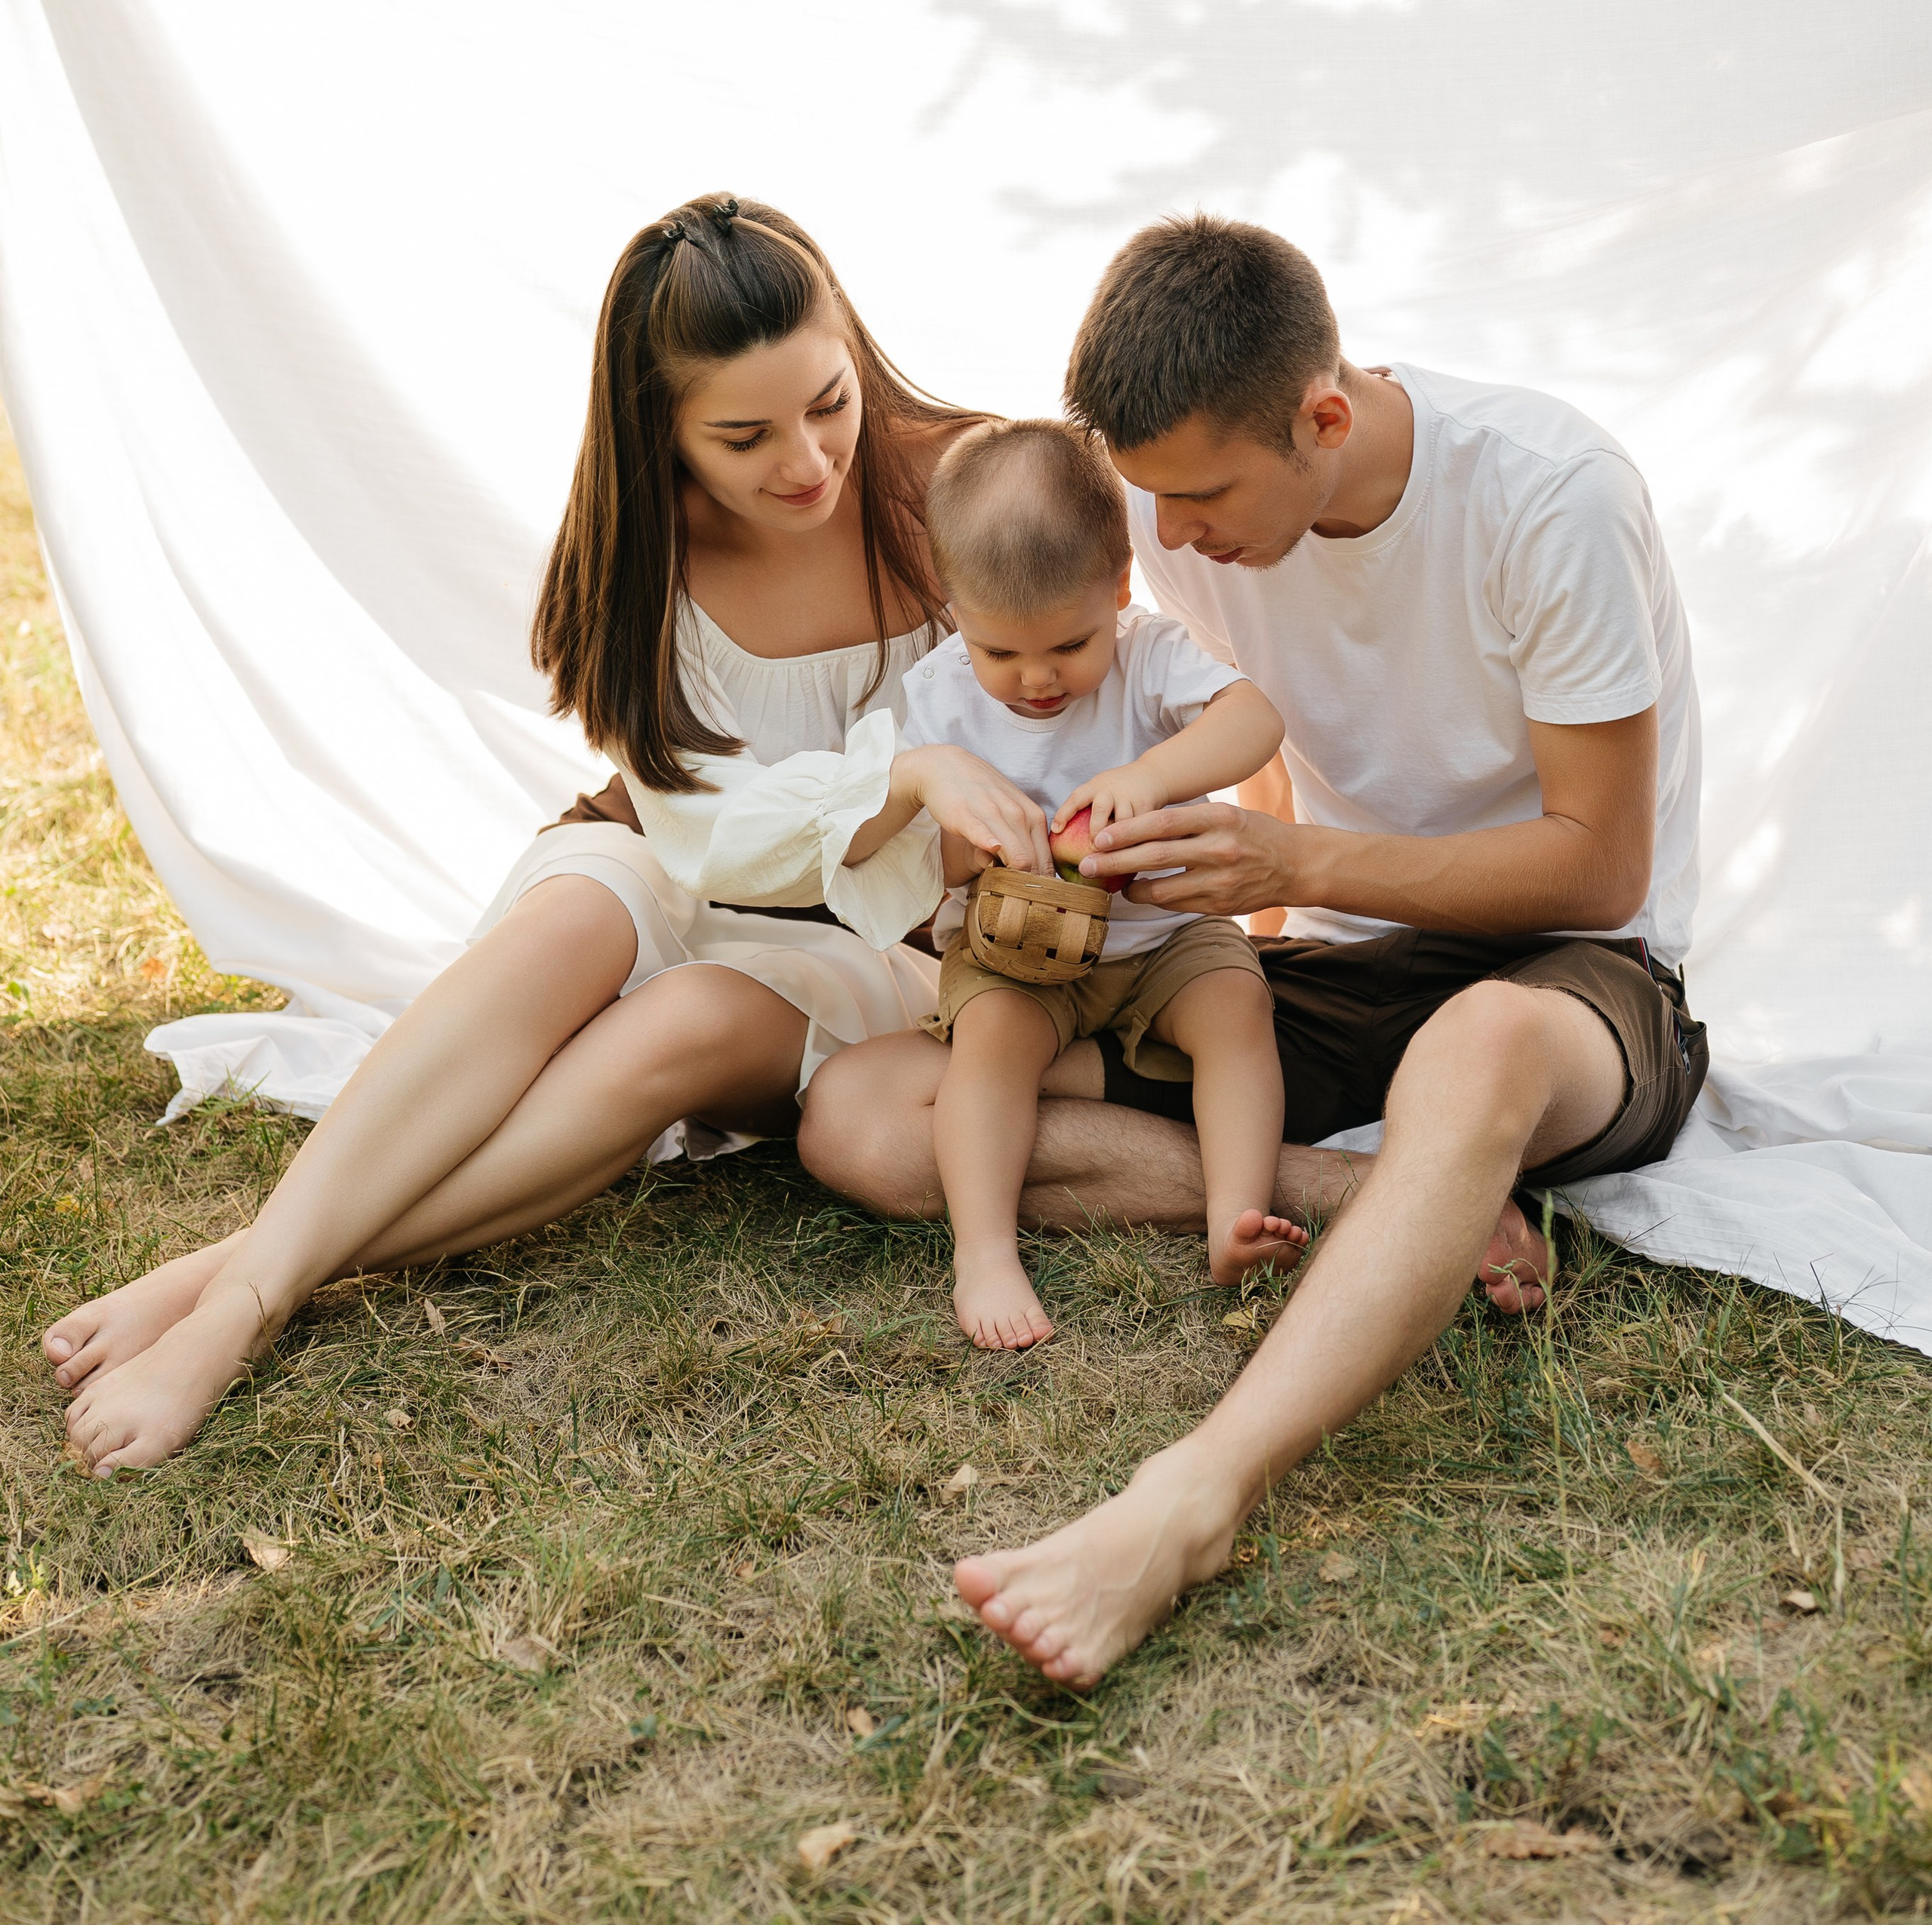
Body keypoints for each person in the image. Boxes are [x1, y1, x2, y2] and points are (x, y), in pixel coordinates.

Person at [798, 213, 1706, 1686]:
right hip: (1343, 959)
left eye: (1203, 498)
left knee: (1468, 1044)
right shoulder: (1173, 511)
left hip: (1569, 972)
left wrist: (1290, 864)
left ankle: (1189, 1498)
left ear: (1323, 417)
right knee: (865, 1109)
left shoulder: (1550, 496)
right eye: (1152, 503)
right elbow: (1118, 660)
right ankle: (1367, 1188)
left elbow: (1596, 861)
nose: (1178, 539)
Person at [45, 195, 1055, 1478]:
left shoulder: (970, 484)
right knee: (572, 919)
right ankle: (247, 1294)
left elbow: (1132, 660)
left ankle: (235, 1282)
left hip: (876, 920)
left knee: (688, 1017)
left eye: (831, 401)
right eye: (743, 435)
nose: (807, 459)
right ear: (663, 428)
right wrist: (902, 768)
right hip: (688, 850)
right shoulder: (644, 551)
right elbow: (712, 841)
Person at [896, 419, 1297, 1351]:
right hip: (1014, 952)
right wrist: (978, 846)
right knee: (990, 1045)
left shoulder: (1150, 654)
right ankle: (985, 1249)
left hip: (1160, 937)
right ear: (953, 607)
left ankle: (1234, 1218)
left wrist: (1148, 779)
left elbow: (1256, 722)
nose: (1036, 678)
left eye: (1070, 645)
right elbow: (916, 855)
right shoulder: (936, 696)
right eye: (1000, 654)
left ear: (1119, 587)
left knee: (1238, 1008)